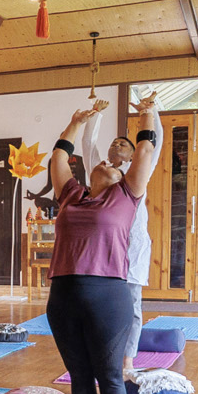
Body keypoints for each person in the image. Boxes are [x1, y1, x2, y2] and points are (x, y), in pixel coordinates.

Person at [45, 95, 162, 394]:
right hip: (63, 296)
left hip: (108, 296)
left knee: (109, 375)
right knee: (78, 374)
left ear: (121, 178)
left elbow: (145, 153)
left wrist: (146, 113)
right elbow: (58, 158)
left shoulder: (126, 197)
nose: (109, 169)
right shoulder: (72, 194)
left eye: (117, 171)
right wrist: (75, 123)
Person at [79, 99, 154, 379]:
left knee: (132, 309)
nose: (116, 146)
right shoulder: (98, 171)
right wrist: (95, 115)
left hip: (132, 251)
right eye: (114, 142)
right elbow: (88, 142)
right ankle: (98, 356)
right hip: (103, 252)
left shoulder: (137, 175)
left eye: (123, 143)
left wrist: (149, 112)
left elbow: (149, 148)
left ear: (133, 154)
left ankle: (127, 361)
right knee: (97, 307)